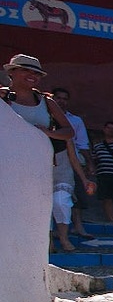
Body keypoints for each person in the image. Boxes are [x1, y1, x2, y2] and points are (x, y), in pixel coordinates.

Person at [3, 53, 79, 250]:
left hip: (38, 166)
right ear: (12, 72)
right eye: (25, 70)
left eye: (36, 73)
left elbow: (69, 131)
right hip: (7, 164)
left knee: (37, 207)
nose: (32, 76)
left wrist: (47, 132)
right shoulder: (2, 97)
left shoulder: (46, 102)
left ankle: (41, 244)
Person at [51, 86, 92, 237]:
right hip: (51, 161)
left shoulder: (75, 120)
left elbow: (82, 143)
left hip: (72, 161)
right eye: (58, 98)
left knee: (76, 196)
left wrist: (89, 163)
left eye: (64, 99)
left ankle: (78, 226)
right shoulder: (45, 117)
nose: (61, 101)